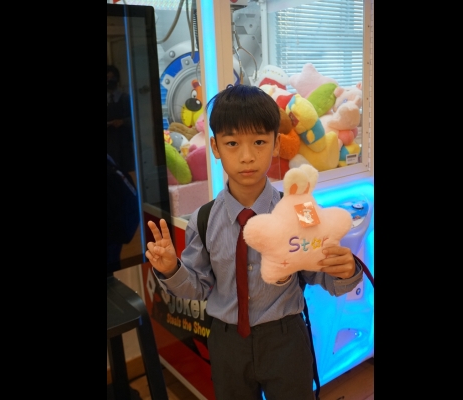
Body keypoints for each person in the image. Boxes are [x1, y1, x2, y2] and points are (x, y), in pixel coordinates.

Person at [145, 84, 363, 400]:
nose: (247, 156)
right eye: (232, 143)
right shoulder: (203, 220)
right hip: (226, 341)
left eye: (259, 141)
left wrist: (344, 271)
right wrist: (170, 269)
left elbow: (316, 270)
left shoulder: (300, 208)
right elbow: (197, 288)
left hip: (286, 338)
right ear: (215, 147)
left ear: (276, 144)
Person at [107, 64, 135, 173]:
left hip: (124, 144)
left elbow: (135, 120)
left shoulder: (126, 98)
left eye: (112, 78)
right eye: (107, 78)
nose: (109, 81)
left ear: (117, 80)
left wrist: (123, 121)